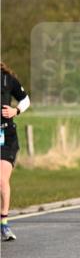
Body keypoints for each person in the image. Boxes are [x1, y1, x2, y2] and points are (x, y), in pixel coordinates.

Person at [1, 63, 30, 241]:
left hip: (5, 136)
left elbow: (25, 100)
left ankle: (4, 224)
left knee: (2, 179)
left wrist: (15, 110)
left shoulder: (7, 78)